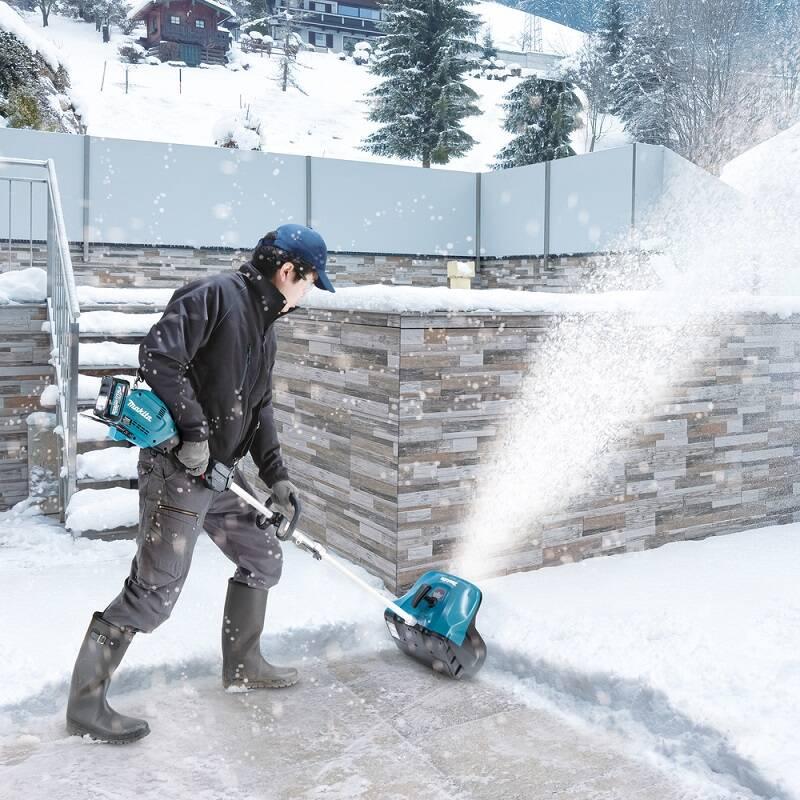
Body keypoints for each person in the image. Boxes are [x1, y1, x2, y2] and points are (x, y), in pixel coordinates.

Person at [65, 224, 335, 743]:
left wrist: (276, 476)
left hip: (220, 475)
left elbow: (259, 407)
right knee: (154, 593)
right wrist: (193, 433)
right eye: (310, 281)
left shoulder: (266, 326)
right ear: (288, 272)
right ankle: (85, 705)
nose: (308, 293)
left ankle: (244, 666)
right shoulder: (215, 296)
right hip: (178, 473)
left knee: (262, 557)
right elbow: (159, 358)